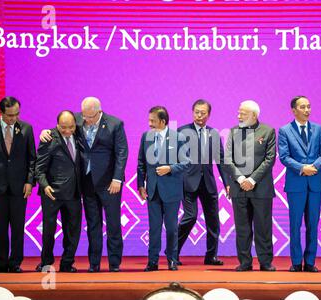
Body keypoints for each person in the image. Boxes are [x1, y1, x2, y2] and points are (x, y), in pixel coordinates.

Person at [40, 97, 128, 272]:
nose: (85, 119)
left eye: (90, 116)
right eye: (84, 115)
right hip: (86, 183)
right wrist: (45, 132)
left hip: (110, 183)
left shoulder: (115, 124)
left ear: (99, 111)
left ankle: (114, 263)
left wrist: (117, 179)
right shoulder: (78, 120)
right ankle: (94, 263)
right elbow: (61, 128)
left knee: (113, 224)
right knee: (93, 224)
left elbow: (122, 152)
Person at [0, 96, 36, 273]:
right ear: (1, 113)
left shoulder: (26, 128)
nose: (14, 118)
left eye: (16, 114)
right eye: (10, 115)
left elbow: (32, 158)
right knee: (0, 226)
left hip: (20, 186)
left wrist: (29, 181)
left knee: (18, 226)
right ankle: (1, 263)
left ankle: (15, 263)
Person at [278, 96, 321, 272]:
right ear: (294, 110)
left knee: (313, 224)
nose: (307, 110)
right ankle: (295, 262)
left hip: (315, 182)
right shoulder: (285, 130)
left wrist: (313, 167)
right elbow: (284, 157)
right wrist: (302, 168)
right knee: (295, 224)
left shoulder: (318, 129)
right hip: (295, 183)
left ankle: (310, 262)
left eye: (309, 106)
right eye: (303, 107)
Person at [225, 100, 276, 272]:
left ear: (254, 115)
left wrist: (252, 180)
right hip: (239, 188)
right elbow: (228, 159)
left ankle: (265, 262)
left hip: (261, 188)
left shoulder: (268, 131)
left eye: (243, 113)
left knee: (263, 227)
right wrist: (241, 179)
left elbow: (270, 159)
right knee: (242, 228)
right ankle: (245, 262)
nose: (238, 116)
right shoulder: (233, 132)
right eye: (239, 112)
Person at [177, 99, 230, 266]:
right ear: (192, 112)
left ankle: (211, 256)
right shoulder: (181, 132)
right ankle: (173, 251)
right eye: (197, 112)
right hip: (188, 183)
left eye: (203, 113)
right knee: (190, 217)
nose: (199, 115)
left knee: (213, 221)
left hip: (208, 183)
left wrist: (227, 182)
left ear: (209, 115)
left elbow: (221, 159)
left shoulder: (214, 133)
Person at [137, 106, 190, 271]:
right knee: (154, 229)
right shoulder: (146, 137)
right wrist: (140, 185)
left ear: (163, 121)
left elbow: (186, 163)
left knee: (172, 228)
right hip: (152, 191)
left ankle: (172, 260)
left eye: (153, 120)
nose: (149, 123)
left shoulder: (178, 138)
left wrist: (170, 168)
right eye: (149, 120)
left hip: (172, 190)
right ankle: (152, 261)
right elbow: (141, 164)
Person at [35, 111, 82, 273]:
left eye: (71, 127)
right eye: (64, 128)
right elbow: (39, 168)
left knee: (73, 231)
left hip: (74, 193)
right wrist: (44, 185)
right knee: (48, 230)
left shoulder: (80, 135)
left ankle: (67, 263)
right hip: (52, 193)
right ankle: (46, 262)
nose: (68, 131)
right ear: (57, 126)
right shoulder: (49, 139)